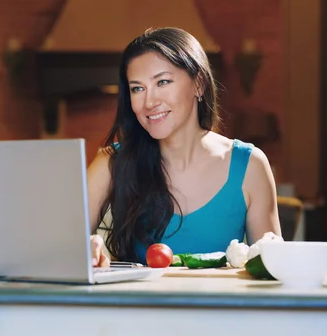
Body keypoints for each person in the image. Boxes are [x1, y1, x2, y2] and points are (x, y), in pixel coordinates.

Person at [87, 27, 282, 268]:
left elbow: (271, 271)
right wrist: (85, 246)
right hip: (139, 306)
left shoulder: (250, 165)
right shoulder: (111, 163)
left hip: (221, 306)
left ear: (199, 84)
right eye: (137, 88)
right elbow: (56, 247)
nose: (149, 102)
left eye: (163, 82)